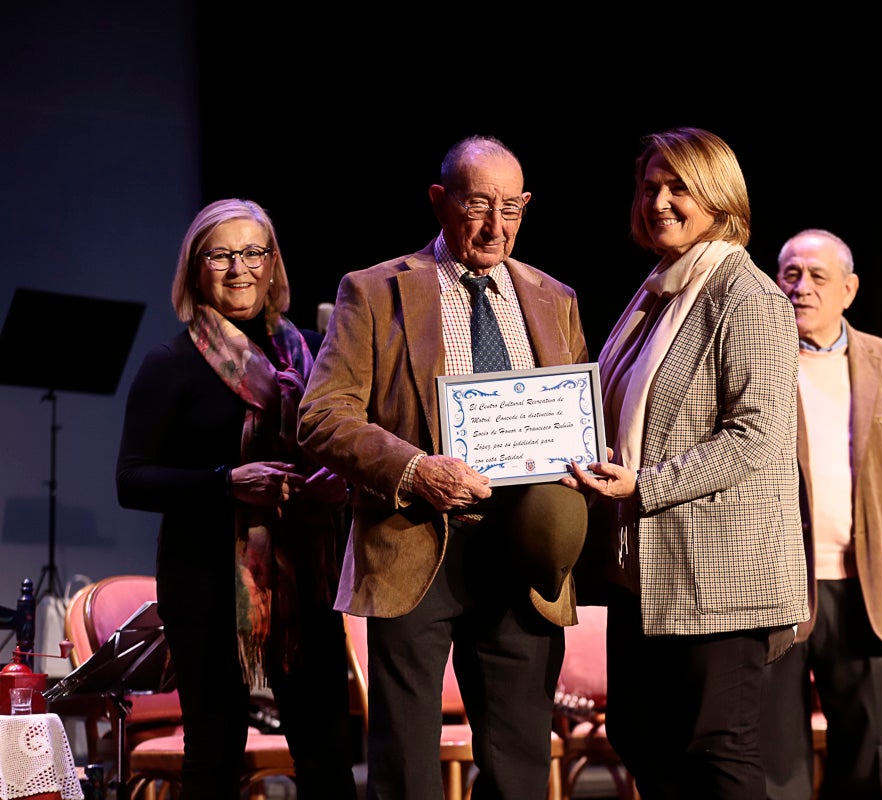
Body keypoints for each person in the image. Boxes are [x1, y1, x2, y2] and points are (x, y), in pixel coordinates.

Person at [296, 134, 590, 800]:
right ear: (439, 201)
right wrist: (415, 469)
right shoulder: (374, 291)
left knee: (520, 768)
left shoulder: (555, 298)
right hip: (415, 543)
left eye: (510, 208)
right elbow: (322, 416)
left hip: (524, 554)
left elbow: (576, 420)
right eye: (478, 205)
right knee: (406, 769)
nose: (495, 226)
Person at [563, 126, 808, 799]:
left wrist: (642, 485)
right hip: (645, 572)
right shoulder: (658, 293)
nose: (659, 203)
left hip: (718, 576)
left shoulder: (748, 297)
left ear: (720, 197)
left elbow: (756, 437)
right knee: (640, 734)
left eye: (679, 188)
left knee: (716, 750)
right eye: (650, 188)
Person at [115, 198, 357, 799]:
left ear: (274, 264)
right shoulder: (170, 363)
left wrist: (340, 481)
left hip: (306, 577)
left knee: (327, 754)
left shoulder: (312, 351)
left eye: (253, 252)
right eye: (220, 255)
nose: (239, 268)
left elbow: (344, 443)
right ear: (195, 269)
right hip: (205, 581)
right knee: (216, 752)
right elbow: (132, 480)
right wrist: (227, 482)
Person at [759, 229, 882, 799]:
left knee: (871, 762)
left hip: (869, 589)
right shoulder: (754, 362)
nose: (801, 287)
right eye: (790, 274)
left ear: (849, 289)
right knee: (774, 768)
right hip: (775, 587)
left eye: (817, 276)